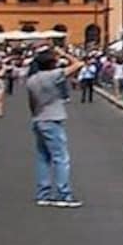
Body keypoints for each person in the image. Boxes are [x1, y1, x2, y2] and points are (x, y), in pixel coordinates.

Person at [25, 48, 82, 208]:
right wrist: (64, 53)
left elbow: (31, 103)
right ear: (51, 64)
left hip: (39, 118)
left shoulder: (32, 79)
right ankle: (64, 194)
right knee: (61, 158)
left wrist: (35, 116)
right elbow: (78, 64)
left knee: (43, 158)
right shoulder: (54, 75)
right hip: (53, 118)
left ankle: (43, 193)